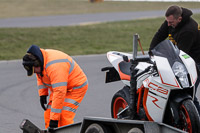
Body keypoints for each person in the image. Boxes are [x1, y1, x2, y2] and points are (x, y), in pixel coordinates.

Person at [22, 45, 88, 130]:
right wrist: (43, 94)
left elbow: (59, 93)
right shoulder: (40, 61)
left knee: (64, 115)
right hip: (59, 87)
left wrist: (54, 121)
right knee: (48, 113)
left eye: (34, 71)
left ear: (37, 64)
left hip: (75, 87)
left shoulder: (55, 66)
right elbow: (41, 76)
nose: (35, 73)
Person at [149, 5, 200, 115]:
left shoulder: (189, 30)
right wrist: (151, 52)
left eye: (171, 22)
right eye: (167, 21)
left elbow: (179, 56)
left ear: (179, 19)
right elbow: (159, 35)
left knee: (187, 93)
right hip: (184, 56)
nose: (168, 25)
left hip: (195, 62)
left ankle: (196, 120)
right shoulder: (170, 21)